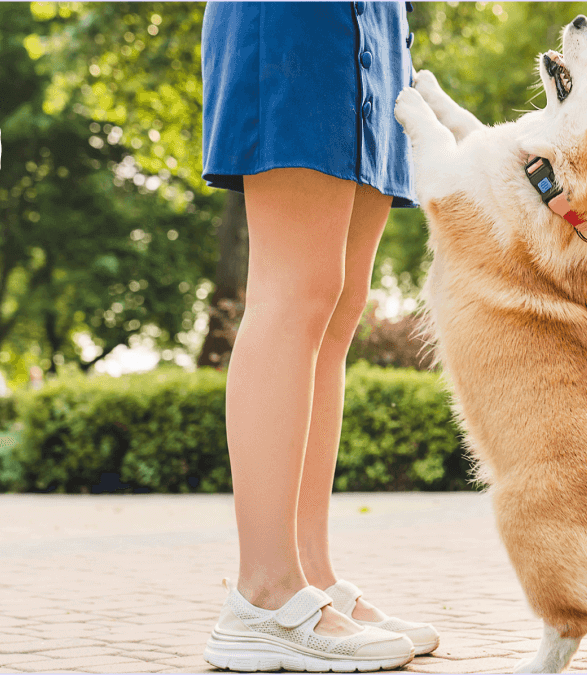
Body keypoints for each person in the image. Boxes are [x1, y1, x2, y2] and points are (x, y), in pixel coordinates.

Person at [197, 2, 435, 671]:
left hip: (374, 26)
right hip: (296, 21)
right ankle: (264, 593)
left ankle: (310, 574)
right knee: (294, 291)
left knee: (337, 305)